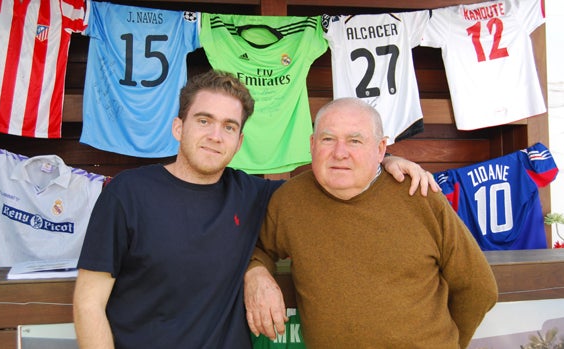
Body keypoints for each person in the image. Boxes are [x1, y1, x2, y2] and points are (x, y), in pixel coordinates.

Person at [72, 70, 439, 349]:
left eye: (229, 126)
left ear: (240, 140)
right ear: (178, 127)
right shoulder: (128, 193)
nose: (216, 135)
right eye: (204, 121)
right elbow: (88, 303)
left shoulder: (253, 194)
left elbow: (334, 175)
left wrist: (385, 160)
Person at [244, 97, 498, 348]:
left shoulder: (420, 195)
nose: (340, 153)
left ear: (380, 150)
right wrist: (255, 273)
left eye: (355, 141)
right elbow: (258, 248)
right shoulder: (290, 201)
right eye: (328, 139)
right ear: (312, 145)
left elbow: (479, 288)